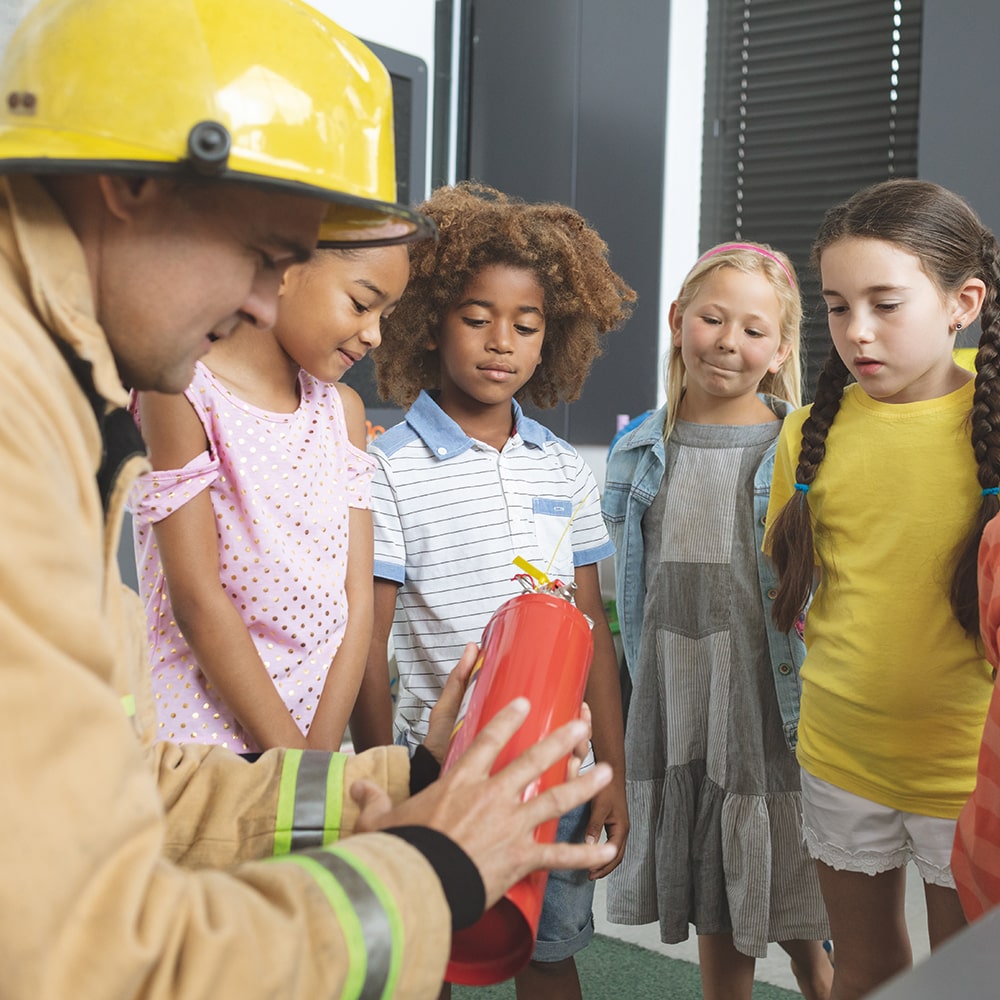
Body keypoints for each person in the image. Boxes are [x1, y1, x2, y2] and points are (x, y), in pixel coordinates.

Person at [0, 2, 619, 997]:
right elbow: (96, 960)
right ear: (128, 184)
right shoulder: (19, 418)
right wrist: (433, 870)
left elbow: (142, 785)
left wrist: (405, 780)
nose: (261, 304)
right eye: (265, 253)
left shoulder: (64, 386)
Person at [351, 181, 635, 999]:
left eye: (526, 323)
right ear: (430, 320)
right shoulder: (388, 469)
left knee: (549, 954)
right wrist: (393, 773)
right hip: (443, 770)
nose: (500, 341)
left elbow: (592, 628)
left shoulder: (561, 468)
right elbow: (371, 645)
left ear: (554, 339)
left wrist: (609, 767)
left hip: (558, 768)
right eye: (476, 317)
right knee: (425, 949)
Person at [764, 178, 999, 1000]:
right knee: (863, 970)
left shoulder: (991, 434)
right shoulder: (807, 435)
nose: (856, 333)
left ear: (962, 301)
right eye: (836, 306)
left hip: (967, 777)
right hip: (841, 757)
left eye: (885, 304)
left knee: (958, 980)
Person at [602, 242, 832, 1000]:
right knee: (718, 888)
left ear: (781, 351)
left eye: (754, 330)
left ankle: (818, 972)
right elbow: (628, 588)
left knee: (776, 865)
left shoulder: (796, 450)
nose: (728, 341)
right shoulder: (636, 452)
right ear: (677, 322)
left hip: (765, 698)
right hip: (677, 695)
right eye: (711, 318)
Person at [129, 245, 409, 753]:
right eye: (360, 304)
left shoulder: (342, 412)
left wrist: (316, 759)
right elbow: (196, 601)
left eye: (385, 316)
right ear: (287, 267)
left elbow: (357, 600)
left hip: (313, 747)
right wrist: (292, 761)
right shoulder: (181, 389)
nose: (374, 334)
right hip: (203, 749)